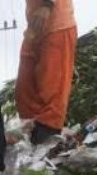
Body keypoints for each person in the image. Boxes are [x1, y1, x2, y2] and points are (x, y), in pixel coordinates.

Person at [16, 0, 77, 144]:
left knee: (53, 92)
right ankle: (31, 135)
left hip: (56, 23)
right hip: (35, 26)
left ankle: (45, 142)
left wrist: (47, 5)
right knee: (24, 91)